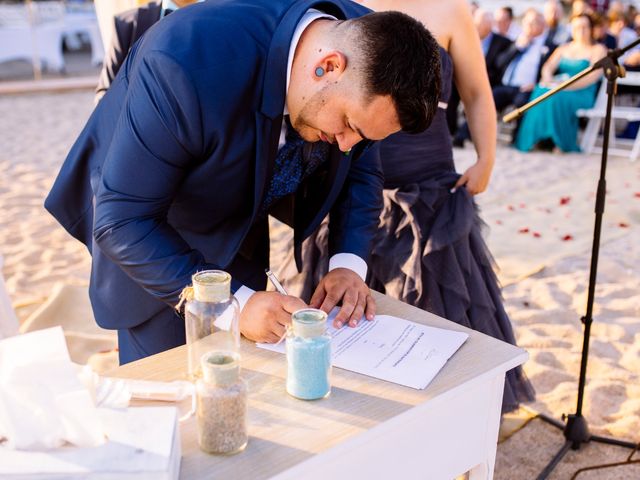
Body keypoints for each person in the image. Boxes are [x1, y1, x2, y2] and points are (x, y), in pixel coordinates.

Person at [45, 0, 441, 364]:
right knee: (168, 410)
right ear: (330, 66)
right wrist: (231, 304)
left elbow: (362, 171)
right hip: (158, 235)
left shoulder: (370, 43)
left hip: (242, 228)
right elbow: (122, 220)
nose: (347, 145)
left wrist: (348, 264)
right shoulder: (183, 65)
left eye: (364, 137)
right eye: (350, 126)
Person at [278, 0, 535, 413]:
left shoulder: (451, 10)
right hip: (348, 182)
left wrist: (486, 158)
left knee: (437, 309)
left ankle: (446, 414)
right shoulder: (341, 9)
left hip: (427, 188)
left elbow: (476, 91)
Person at [456, 8, 550, 145]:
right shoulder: (515, 42)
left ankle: (517, 139)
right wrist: (517, 47)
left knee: (522, 103)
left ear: (542, 25)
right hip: (505, 85)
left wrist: (536, 84)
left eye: (534, 23)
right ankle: (462, 136)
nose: (529, 27)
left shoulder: (547, 46)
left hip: (527, 88)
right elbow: (499, 63)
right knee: (486, 102)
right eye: (527, 23)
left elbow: (549, 70)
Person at [516, 13, 606, 152]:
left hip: (581, 92)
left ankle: (559, 142)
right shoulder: (564, 48)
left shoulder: (598, 49)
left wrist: (564, 86)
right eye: (577, 27)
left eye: (584, 27)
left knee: (557, 97)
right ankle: (537, 138)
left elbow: (592, 77)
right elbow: (547, 67)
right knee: (540, 90)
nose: (581, 31)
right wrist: (547, 79)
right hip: (558, 86)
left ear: (591, 29)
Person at [448, 7, 512, 136]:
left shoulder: (503, 42)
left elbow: (500, 67)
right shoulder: (467, 37)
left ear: (489, 25)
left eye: (481, 24)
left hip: (488, 81)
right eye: (476, 23)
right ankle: (451, 129)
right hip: (464, 78)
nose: (477, 27)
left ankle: (470, 133)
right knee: (449, 89)